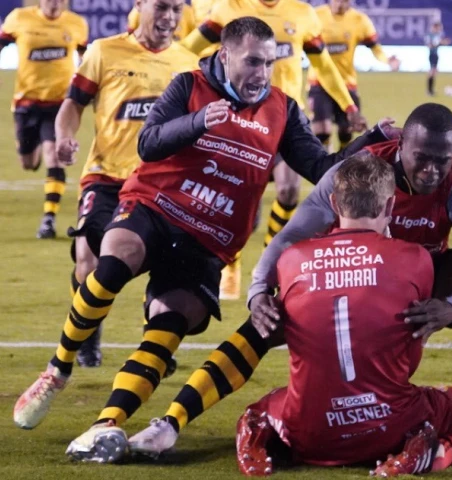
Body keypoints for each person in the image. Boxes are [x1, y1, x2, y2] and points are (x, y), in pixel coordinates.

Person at [12, 17, 392, 464]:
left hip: (209, 239)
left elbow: (318, 167)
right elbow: (149, 145)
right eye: (253, 61)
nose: (261, 73)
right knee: (113, 263)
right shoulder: (187, 85)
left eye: (269, 63)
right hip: (156, 207)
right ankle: (58, 369)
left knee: (168, 326)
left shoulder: (282, 109)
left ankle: (106, 422)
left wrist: (371, 141)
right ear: (225, 55)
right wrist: (197, 122)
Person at [127, 103, 452, 460]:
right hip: (353, 276)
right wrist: (260, 291)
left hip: (415, 289)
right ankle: (171, 422)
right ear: (397, 146)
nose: (432, 170)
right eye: (422, 158)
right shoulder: (360, 173)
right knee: (268, 319)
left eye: (441, 160)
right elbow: (292, 235)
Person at [234, 154, 452, 477]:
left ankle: (255, 449)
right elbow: (410, 351)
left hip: (310, 433)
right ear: (390, 207)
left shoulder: (291, 259)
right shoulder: (415, 258)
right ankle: (439, 454)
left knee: (258, 411)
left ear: (334, 204)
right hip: (390, 427)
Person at [180, 0, 368, 301]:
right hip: (237, 120)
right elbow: (185, 50)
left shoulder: (303, 13)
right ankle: (231, 261)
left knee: (289, 190)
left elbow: (322, 65)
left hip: (284, 120)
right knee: (233, 196)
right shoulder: (229, 9)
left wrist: (348, 104)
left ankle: (272, 252)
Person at [54, 0, 199, 369]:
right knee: (88, 261)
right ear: (140, 5)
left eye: (176, 10)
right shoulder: (103, 51)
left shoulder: (188, 63)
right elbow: (74, 103)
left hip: (158, 183)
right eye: (161, 7)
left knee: (164, 263)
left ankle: (154, 339)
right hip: (105, 176)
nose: (168, 17)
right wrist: (64, 137)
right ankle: (87, 332)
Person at [0, 0, 88, 239]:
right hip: (26, 104)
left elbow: (87, 60)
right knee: (28, 162)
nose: (55, 3)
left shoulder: (76, 24)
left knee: (54, 155)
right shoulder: (19, 18)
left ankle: (48, 219)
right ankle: (32, 146)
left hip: (59, 103)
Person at [309, 0, 399, 152]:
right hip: (319, 82)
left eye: (344, 1)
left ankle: (342, 160)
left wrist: (387, 60)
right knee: (322, 131)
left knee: (346, 132)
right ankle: (324, 164)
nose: (340, 4)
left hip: (347, 84)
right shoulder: (315, 16)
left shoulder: (360, 20)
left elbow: (375, 47)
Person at [127, 1, 196, 40]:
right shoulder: (139, 12)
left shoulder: (188, 12)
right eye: (160, 7)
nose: (169, 16)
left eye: (176, 10)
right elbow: (132, 39)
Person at [424, 21, 449, 96]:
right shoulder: (429, 35)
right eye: (438, 28)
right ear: (435, 27)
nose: (439, 29)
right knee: (432, 72)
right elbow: (429, 45)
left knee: (434, 72)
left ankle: (431, 90)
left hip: (435, 55)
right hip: (432, 55)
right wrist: (439, 43)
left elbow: (440, 43)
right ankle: (429, 90)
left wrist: (443, 43)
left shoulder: (437, 35)